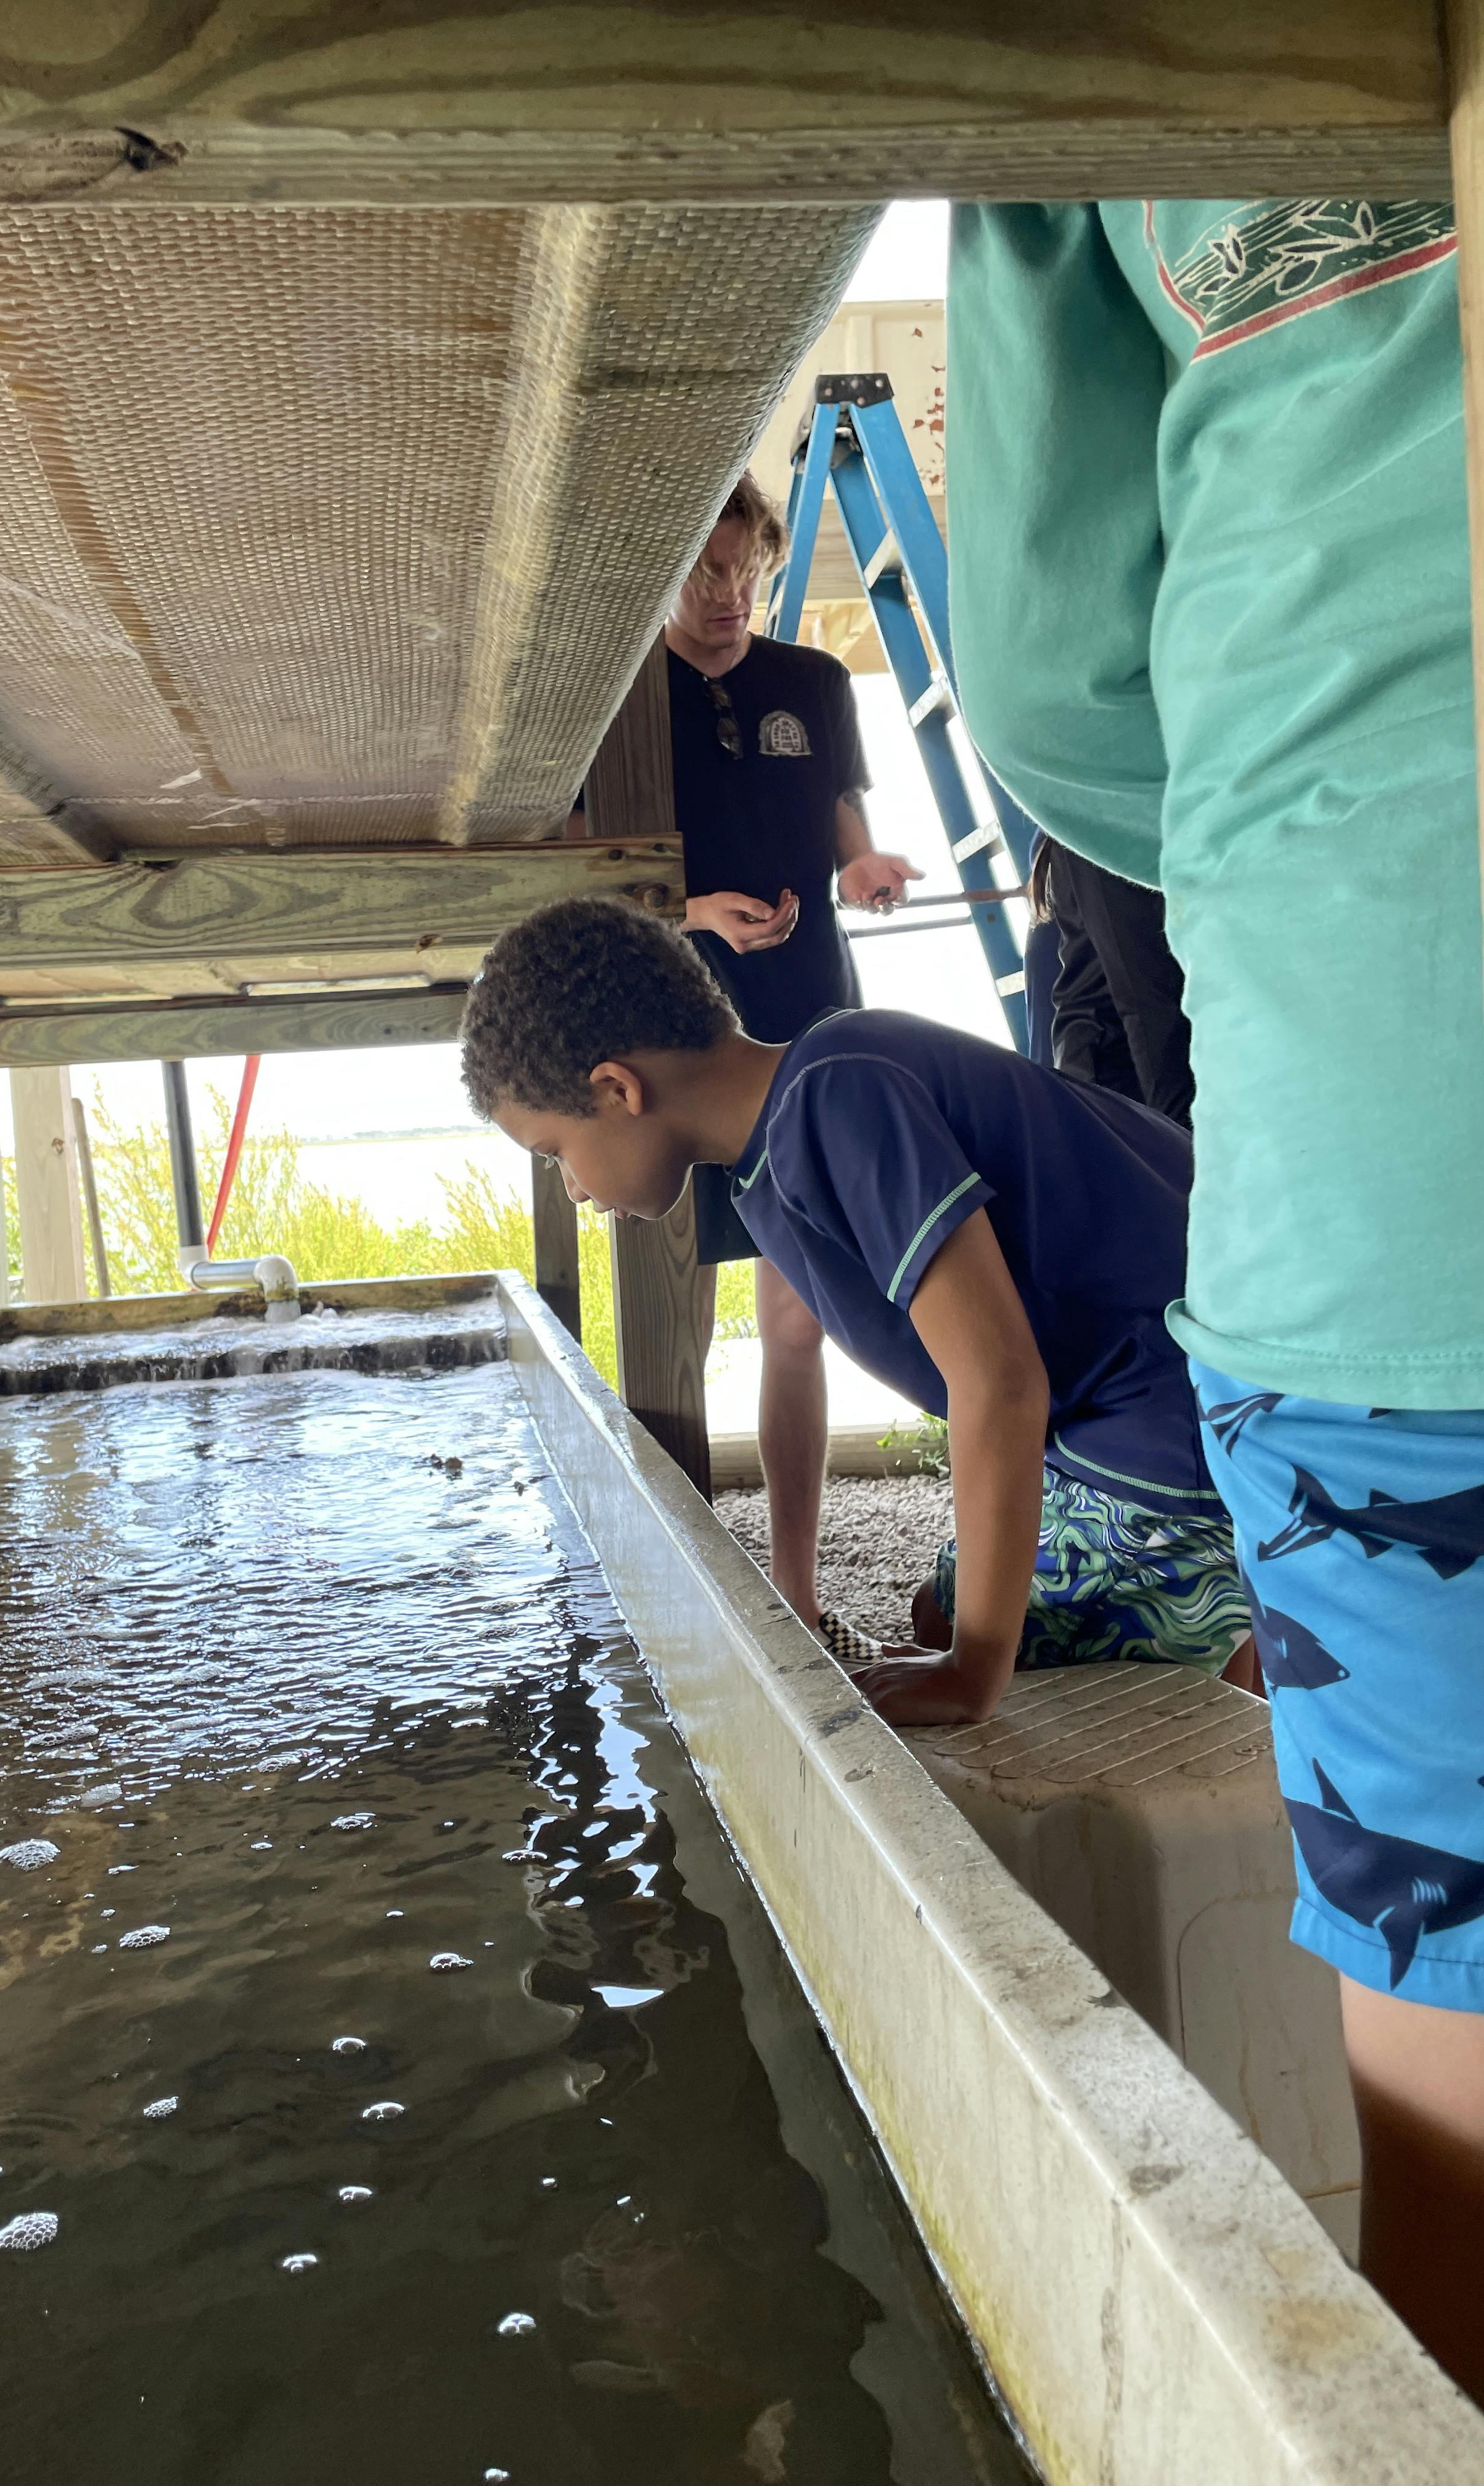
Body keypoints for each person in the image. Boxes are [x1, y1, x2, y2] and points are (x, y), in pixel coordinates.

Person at [946, 198, 1484, 2394]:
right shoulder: (846, 1111)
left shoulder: (843, 1132)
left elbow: (1064, 688)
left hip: (1379, 1187)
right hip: (1306, 1239)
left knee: (1441, 2091)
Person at [461, 895, 1250, 1727]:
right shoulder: (782, 1133)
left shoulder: (836, 1097)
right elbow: (798, 1338)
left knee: (999, 1653)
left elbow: (1002, 1383)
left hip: (1198, 1421)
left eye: (556, 1155)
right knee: (941, 1611)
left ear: (618, 1089)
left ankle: (1266, 1640)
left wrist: (976, 1673)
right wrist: (799, 1596)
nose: (574, 1189)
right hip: (1131, 1402)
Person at [572, 472, 920, 1644]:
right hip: (668, 1033)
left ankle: (794, 1585)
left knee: (794, 1318)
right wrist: (689, 915)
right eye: (698, 571)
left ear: (765, 562)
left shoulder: (812, 683)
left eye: (740, 570)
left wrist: (864, 871)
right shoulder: (619, 693)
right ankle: (671, 1582)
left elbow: (843, 822)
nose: (722, 595)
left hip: (809, 1025)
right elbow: (588, 870)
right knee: (670, 1315)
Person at [1031, 835, 1194, 1125]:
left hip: (1132, 1071)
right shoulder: (1095, 834)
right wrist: (1184, 1134)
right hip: (1123, 1081)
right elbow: (1146, 1003)